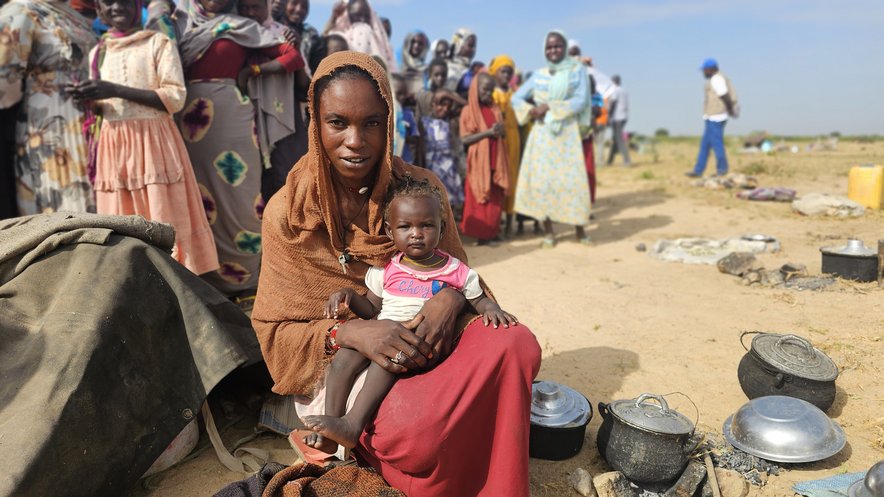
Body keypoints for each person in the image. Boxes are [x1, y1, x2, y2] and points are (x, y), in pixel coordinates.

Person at [251, 51, 541, 496]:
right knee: (413, 434)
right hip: (346, 369)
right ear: (315, 124)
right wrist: (352, 334)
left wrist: (450, 298)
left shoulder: (420, 192)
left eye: (371, 123)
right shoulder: (288, 214)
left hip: (428, 344)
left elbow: (461, 276)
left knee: (515, 342)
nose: (356, 141)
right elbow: (276, 331)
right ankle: (376, 432)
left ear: (389, 123)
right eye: (337, 123)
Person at [303, 175, 517, 453]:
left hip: (417, 341)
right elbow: (371, 309)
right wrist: (349, 296)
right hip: (383, 332)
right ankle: (332, 428)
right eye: (406, 226)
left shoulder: (456, 271)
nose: (416, 233)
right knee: (344, 356)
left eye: (426, 225)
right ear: (391, 232)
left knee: (385, 361)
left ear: (441, 230)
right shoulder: (387, 269)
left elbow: (479, 301)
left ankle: (352, 424)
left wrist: (494, 310)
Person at [148, 0, 305, 302]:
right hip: (186, 120)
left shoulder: (242, 27)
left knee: (242, 198)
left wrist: (252, 71)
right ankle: (207, 280)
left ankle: (248, 281)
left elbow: (292, 57)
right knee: (197, 198)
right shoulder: (178, 23)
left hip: (232, 118)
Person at [67, 0, 218, 275]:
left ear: (138, 4)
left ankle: (178, 286)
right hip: (114, 146)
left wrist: (113, 89)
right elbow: (101, 109)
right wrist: (88, 98)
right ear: (99, 9)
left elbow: (175, 97)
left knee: (164, 217)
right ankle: (135, 284)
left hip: (154, 143)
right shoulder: (99, 52)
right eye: (107, 3)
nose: (116, 7)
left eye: (122, 1)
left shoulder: (158, 43)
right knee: (122, 223)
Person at [0, 0, 98, 215]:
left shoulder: (71, 14)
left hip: (88, 117)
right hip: (50, 120)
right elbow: (5, 79)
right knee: (61, 195)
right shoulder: (21, 11)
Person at [512, 30, 592, 247]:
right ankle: (549, 232)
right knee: (544, 183)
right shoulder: (539, 75)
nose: (553, 50)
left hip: (566, 133)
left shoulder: (577, 69)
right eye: (549, 47)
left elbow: (581, 100)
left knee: (572, 181)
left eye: (557, 46)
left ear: (564, 48)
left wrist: (550, 106)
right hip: (542, 135)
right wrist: (531, 110)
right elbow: (516, 98)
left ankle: (580, 229)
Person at [237, 0, 311, 201]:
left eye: (256, 7)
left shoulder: (282, 35)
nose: (250, 12)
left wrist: (254, 71)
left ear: (267, 6)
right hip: (245, 117)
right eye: (244, 7)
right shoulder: (233, 31)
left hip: (285, 118)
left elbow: (304, 85)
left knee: (289, 180)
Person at [459, 72, 508, 245]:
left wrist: (501, 131)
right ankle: (482, 236)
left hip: (496, 159)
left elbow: (503, 133)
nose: (489, 94)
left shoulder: (495, 109)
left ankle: (492, 232)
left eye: (491, 90)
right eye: (485, 90)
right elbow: (465, 138)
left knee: (495, 198)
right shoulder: (468, 111)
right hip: (480, 161)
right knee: (480, 200)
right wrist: (488, 133)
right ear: (475, 89)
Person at [488, 54, 524, 236]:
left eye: (509, 72)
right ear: (495, 72)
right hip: (497, 140)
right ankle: (496, 222)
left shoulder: (516, 95)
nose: (506, 75)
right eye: (503, 71)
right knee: (498, 178)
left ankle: (510, 221)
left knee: (512, 177)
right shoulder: (490, 93)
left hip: (513, 139)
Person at [687, 58, 738, 178]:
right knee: (705, 145)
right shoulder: (715, 79)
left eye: (704, 70)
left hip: (717, 116)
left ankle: (722, 169)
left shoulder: (717, 79)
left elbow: (724, 95)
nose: (703, 73)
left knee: (717, 144)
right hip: (711, 116)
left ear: (710, 69)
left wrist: (730, 110)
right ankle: (698, 170)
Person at [324, 0, 396, 71]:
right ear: (348, 17)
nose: (362, 20)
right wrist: (333, 19)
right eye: (357, 16)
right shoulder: (339, 42)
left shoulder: (381, 47)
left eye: (366, 16)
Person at [420, 91, 463, 209]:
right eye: (441, 105)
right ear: (432, 104)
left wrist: (448, 95)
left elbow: (468, 106)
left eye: (448, 107)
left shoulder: (449, 122)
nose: (445, 109)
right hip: (431, 170)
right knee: (432, 207)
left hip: (448, 171)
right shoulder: (423, 122)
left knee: (448, 208)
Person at [273, 0, 325, 77]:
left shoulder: (312, 36)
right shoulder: (272, 25)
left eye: (304, 7)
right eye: (294, 3)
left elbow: (316, 73)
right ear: (285, 4)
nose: (299, 9)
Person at [390, 73, 420, 164]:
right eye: (398, 93)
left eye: (404, 94)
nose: (402, 97)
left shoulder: (408, 114)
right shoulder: (382, 114)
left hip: (405, 161)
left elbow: (416, 138)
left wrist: (402, 136)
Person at [606, 74, 632, 167]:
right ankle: (609, 161)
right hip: (624, 116)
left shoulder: (614, 91)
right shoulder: (624, 90)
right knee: (615, 138)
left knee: (620, 139)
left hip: (617, 117)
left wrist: (608, 117)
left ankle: (627, 161)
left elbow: (613, 103)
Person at [445, 27, 475, 95]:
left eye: (474, 46)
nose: (473, 50)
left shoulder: (472, 69)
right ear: (459, 44)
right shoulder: (446, 66)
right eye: (470, 45)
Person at [398, 29, 428, 95]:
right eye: (413, 42)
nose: (416, 46)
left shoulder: (425, 69)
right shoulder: (397, 61)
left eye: (420, 43)